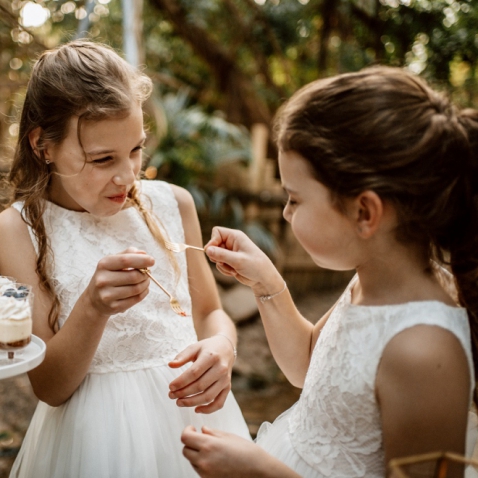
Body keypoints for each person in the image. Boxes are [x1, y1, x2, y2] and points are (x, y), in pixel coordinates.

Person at [181, 66, 478, 478]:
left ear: (364, 212)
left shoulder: (423, 351)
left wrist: (263, 473)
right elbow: (307, 365)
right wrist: (266, 282)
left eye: (295, 199)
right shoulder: (369, 282)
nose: (285, 213)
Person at [0, 40, 250, 478]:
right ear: (43, 146)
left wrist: (221, 346)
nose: (128, 175)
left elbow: (211, 312)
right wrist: (93, 308)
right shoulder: (14, 232)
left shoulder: (174, 204)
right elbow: (49, 387)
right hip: (94, 441)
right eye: (102, 159)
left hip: (197, 424)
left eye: (136, 149)